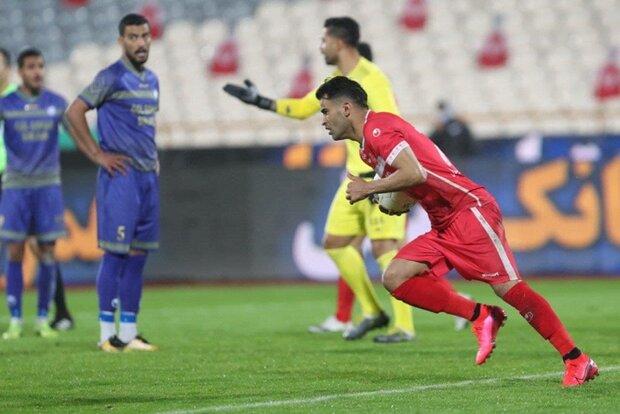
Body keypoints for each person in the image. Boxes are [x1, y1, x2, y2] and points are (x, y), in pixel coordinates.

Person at [314, 76, 598, 387]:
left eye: (325, 111)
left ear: (345, 108)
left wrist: (370, 188)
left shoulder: (377, 129)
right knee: (395, 277)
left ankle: (576, 360)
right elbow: (409, 187)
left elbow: (415, 172)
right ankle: (479, 315)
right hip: (442, 222)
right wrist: (390, 202)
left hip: (468, 211)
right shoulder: (368, 147)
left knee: (510, 289)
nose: (324, 120)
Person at [224, 17, 414, 343]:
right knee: (335, 244)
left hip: (378, 178)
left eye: (324, 40)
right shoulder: (337, 82)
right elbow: (301, 108)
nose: (321, 46)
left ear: (339, 43)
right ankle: (372, 311)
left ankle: (405, 326)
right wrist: (261, 101)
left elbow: (391, 127)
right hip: (354, 178)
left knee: (385, 249)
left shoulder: (373, 79)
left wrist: (387, 177)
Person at [65, 13, 159, 352]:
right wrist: (96, 154)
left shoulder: (152, 80)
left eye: (144, 36)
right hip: (120, 177)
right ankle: (107, 334)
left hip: (147, 177)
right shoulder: (111, 77)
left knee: (138, 256)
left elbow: (144, 128)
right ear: (121, 41)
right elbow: (73, 112)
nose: (140, 42)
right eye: (133, 37)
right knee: (115, 255)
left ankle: (129, 332)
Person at [0, 47, 74, 331]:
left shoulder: (35, 102)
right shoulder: (7, 104)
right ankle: (18, 318)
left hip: (27, 182)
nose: (37, 72)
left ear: (8, 68)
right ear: (21, 71)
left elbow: (75, 128)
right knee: (16, 248)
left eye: (40, 66)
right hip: (14, 184)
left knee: (44, 247)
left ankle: (55, 313)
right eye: (31, 67)